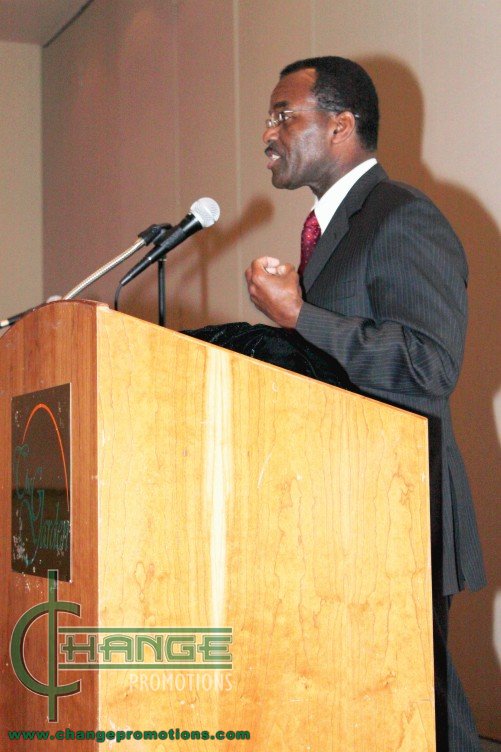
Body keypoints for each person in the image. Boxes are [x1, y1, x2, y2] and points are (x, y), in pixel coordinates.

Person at [245, 56, 486, 752]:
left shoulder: (402, 216)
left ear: (340, 125)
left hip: (395, 510)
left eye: (283, 115)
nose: (267, 133)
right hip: (340, 511)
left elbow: (428, 366)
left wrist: (300, 317)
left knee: (423, 716)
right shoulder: (332, 234)